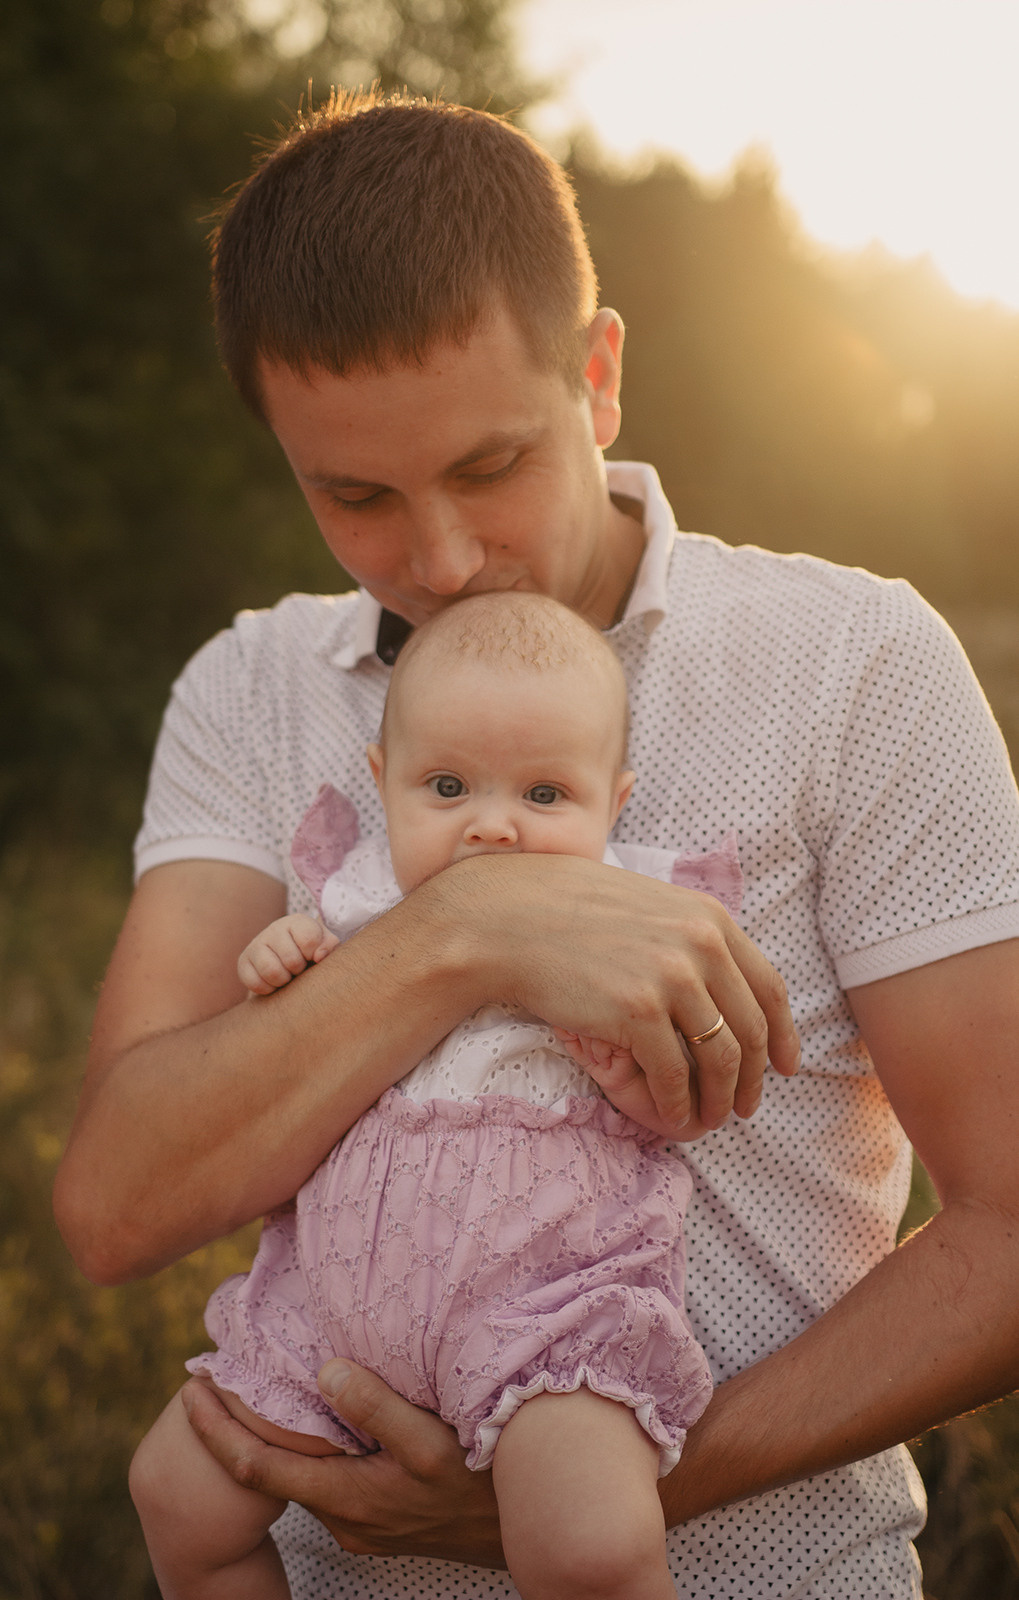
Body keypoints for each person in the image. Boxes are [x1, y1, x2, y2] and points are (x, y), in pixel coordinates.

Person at [53, 91, 1019, 1599]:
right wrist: (464, 934)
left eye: (489, 466)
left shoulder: (851, 666)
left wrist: (601, 1488)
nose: (435, 562)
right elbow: (117, 1205)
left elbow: (1010, 1229)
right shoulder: (251, 687)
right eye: (353, 495)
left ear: (599, 371)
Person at [129, 589, 739, 1600]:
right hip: (327, 1308)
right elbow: (290, 1055)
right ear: (384, 783)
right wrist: (283, 962)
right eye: (447, 786)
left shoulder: (637, 920)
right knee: (174, 1495)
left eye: (544, 796)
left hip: (545, 1307)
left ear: (612, 800)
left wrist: (634, 1070)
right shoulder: (356, 903)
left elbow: (689, 1110)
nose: (491, 828)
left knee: (587, 1548)